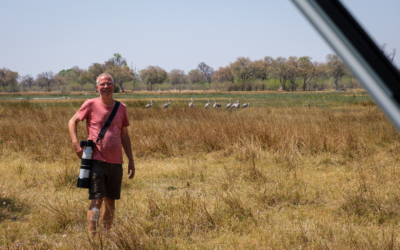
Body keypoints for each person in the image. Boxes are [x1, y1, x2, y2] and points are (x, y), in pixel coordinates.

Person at [68, 73, 135, 236]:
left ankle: (105, 236)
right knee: (96, 200)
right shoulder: (90, 104)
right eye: (102, 84)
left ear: (114, 86)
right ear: (97, 87)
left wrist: (131, 160)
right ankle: (93, 238)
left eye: (109, 84)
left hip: (116, 163)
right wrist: (76, 144)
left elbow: (125, 136)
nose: (106, 87)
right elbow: (72, 122)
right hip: (96, 161)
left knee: (110, 202)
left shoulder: (122, 108)